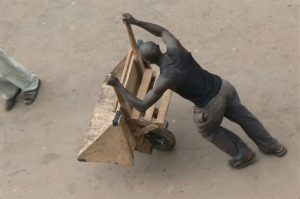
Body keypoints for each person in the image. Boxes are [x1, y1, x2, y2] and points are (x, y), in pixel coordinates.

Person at [106, 13, 287, 169]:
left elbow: (142, 104)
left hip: (211, 106)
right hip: (224, 87)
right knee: (245, 118)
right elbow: (161, 30)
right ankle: (273, 146)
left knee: (209, 132)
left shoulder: (164, 80)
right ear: (159, 47)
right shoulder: (175, 48)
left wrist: (118, 85)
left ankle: (243, 154)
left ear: (150, 62)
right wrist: (136, 21)